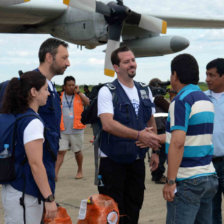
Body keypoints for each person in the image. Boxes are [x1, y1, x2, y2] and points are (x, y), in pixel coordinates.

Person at [97, 46, 160, 224]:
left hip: (136, 161)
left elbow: (150, 120)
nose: (132, 64)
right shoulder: (107, 91)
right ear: (116, 67)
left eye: (133, 60)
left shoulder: (144, 89)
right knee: (112, 212)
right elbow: (107, 124)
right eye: (126, 62)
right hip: (113, 162)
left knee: (134, 207)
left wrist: (155, 149)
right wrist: (139, 135)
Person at [163, 53, 218, 224]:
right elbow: (193, 135)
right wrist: (160, 137)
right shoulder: (205, 100)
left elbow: (178, 143)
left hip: (187, 179)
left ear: (175, 75)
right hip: (207, 176)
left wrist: (171, 181)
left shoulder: (181, 101)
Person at [1, 71, 57, 224]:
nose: (48, 94)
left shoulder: (16, 115)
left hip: (14, 189)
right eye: (45, 89)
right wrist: (49, 198)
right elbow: (36, 164)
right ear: (33, 92)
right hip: (25, 194)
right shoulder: (32, 122)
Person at [36, 38, 70, 189]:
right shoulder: (32, 86)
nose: (68, 63)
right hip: (35, 166)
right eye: (64, 58)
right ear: (49, 57)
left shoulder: (51, 89)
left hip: (48, 160)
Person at [55, 76, 89, 180]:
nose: (71, 87)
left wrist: (79, 92)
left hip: (76, 129)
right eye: (69, 85)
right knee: (61, 152)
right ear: (64, 86)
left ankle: (80, 170)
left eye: (73, 85)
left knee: (77, 151)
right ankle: (54, 174)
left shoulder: (79, 96)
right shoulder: (59, 96)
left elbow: (88, 102)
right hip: (63, 130)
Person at [204, 58, 224, 224]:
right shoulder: (201, 99)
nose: (207, 79)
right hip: (209, 164)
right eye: (206, 74)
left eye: (212, 75)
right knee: (212, 210)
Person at [149, 78, 170, 184]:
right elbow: (170, 108)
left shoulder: (150, 98)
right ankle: (158, 175)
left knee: (157, 153)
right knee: (160, 154)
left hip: (157, 128)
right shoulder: (158, 99)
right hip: (160, 129)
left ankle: (155, 174)